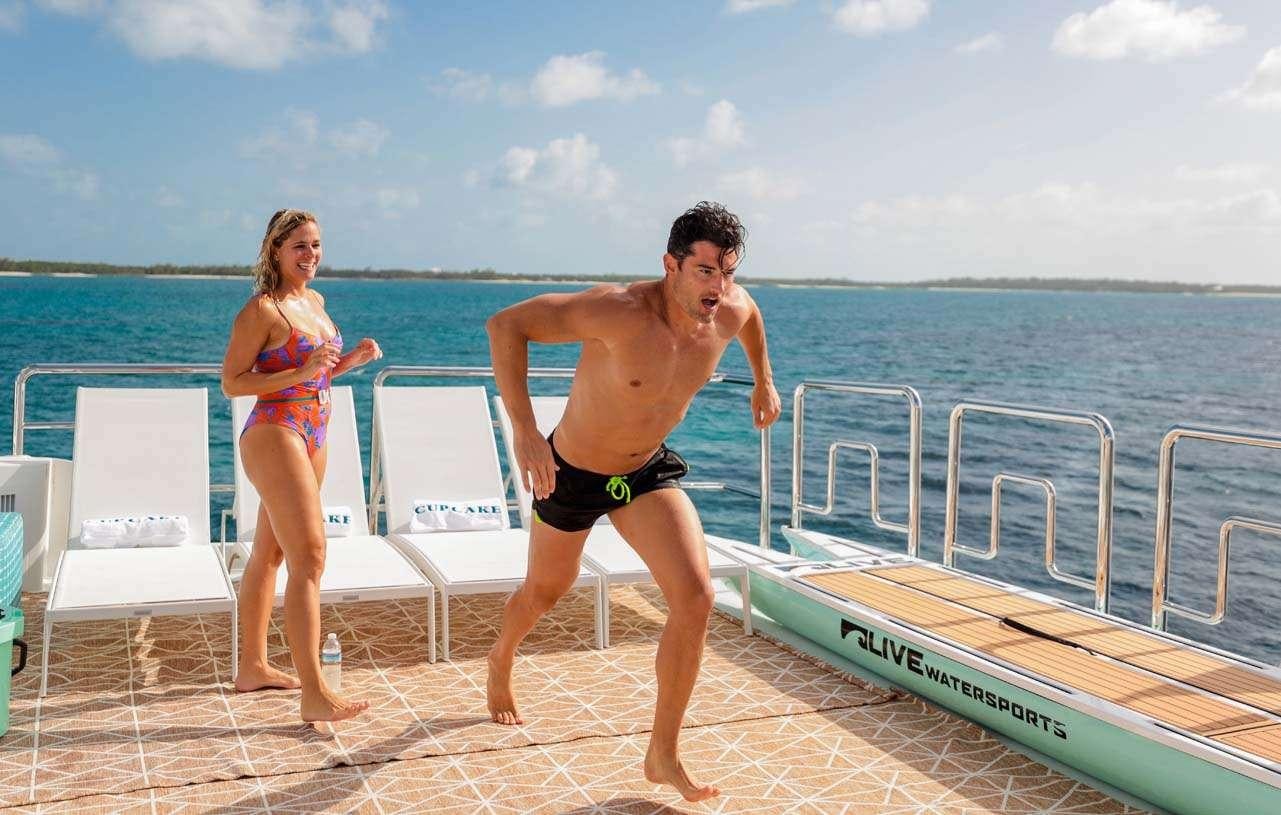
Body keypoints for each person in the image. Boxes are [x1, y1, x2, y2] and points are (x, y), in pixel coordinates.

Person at [484, 201, 781, 801]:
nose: (718, 288)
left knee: (696, 596)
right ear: (670, 264)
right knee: (546, 591)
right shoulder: (616, 310)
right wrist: (523, 432)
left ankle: (662, 752)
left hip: (643, 472)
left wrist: (764, 378)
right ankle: (500, 656)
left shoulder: (730, 309)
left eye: (727, 272)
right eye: (704, 272)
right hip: (569, 473)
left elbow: (751, 319)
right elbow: (505, 326)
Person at [221, 208, 383, 723]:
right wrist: (300, 368)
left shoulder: (315, 302)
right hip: (275, 432)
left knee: (269, 554)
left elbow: (319, 374)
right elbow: (233, 382)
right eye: (299, 247)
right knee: (310, 557)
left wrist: (351, 360)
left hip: (316, 431)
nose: (310, 255)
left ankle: (252, 667)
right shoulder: (263, 311)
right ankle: (314, 691)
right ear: (275, 251)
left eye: (315, 245)